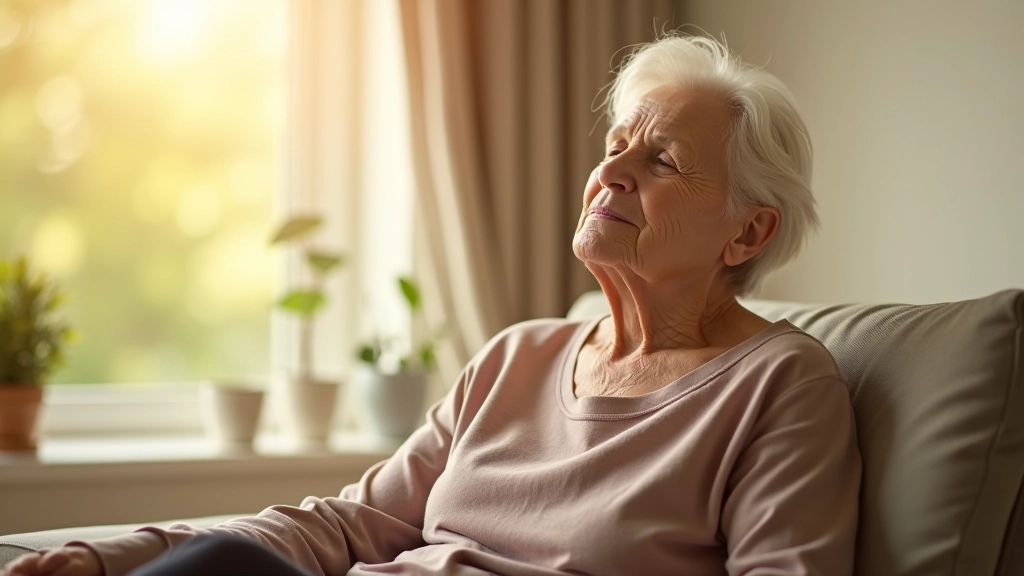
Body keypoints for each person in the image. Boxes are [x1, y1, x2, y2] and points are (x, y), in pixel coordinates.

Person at [2, 33, 860, 576]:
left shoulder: (780, 385)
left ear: (747, 233)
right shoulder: (518, 357)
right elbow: (349, 524)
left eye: (662, 160)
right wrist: (109, 557)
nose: (612, 172)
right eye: (614, 145)